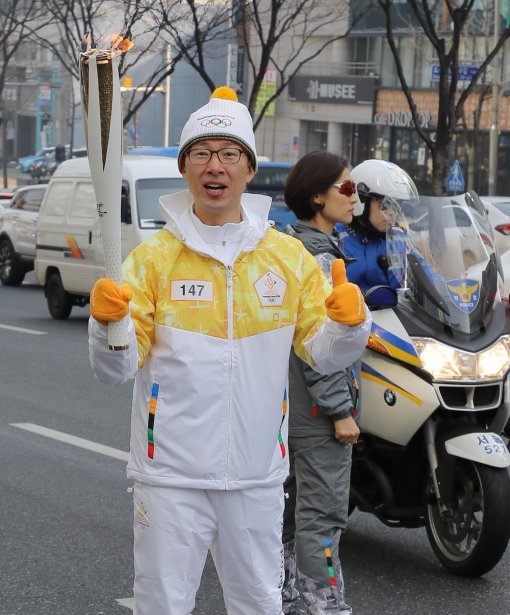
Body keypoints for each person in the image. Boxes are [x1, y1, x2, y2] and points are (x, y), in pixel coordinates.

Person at [87, 86, 372, 615]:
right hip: (170, 476)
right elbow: (115, 369)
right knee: (163, 606)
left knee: (259, 605)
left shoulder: (287, 260)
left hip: (257, 476)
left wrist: (349, 327)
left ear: (247, 168)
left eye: (228, 153)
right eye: (202, 153)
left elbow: (323, 354)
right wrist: (109, 326)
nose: (214, 165)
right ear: (185, 167)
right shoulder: (152, 262)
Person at [281, 151, 361, 615]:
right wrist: (339, 409)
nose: (354, 198)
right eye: (346, 189)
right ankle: (324, 605)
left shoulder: (291, 246)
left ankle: (286, 598)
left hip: (291, 405)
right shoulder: (320, 257)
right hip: (317, 410)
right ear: (317, 195)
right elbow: (317, 343)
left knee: (291, 513)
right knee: (323, 516)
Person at [338, 159, 419, 292]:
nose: (392, 213)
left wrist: (446, 291)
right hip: (353, 312)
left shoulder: (400, 239)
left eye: (395, 206)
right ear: (361, 201)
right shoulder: (338, 239)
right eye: (385, 205)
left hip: (396, 312)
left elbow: (427, 273)